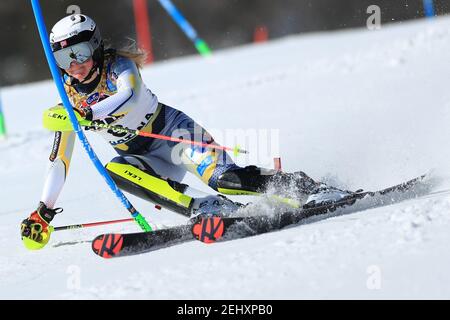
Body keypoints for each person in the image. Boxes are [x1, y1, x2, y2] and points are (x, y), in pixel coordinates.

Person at [20, 14, 353, 249]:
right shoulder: (69, 98)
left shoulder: (119, 67)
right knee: (116, 171)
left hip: (174, 134)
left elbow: (129, 95)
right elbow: (59, 162)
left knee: (226, 179)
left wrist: (88, 114)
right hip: (143, 156)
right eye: (63, 57)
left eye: (78, 52)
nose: (74, 64)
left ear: (94, 46)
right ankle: (208, 208)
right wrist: (44, 210)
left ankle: (306, 188)